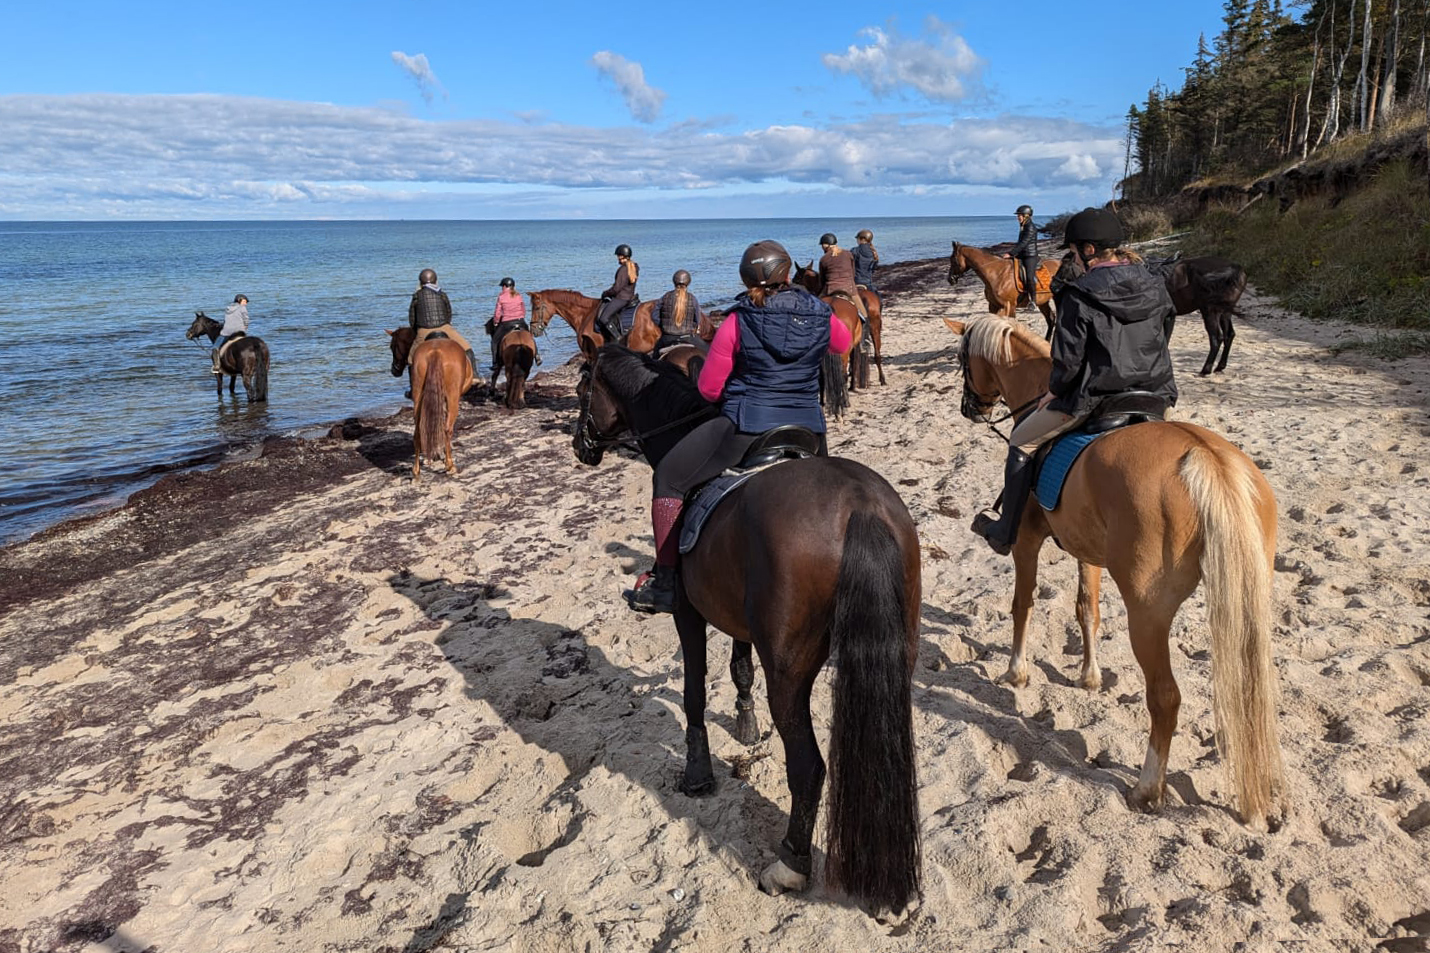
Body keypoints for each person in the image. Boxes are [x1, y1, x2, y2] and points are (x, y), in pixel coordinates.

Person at [627, 240, 853, 613]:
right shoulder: (819, 313)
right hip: (808, 429)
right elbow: (841, 343)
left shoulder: (738, 320)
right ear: (786, 272)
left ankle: (665, 582)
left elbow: (709, 388)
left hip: (748, 427)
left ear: (747, 278)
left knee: (668, 477)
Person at [971, 207, 1177, 555]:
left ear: (1089, 250)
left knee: (1021, 440)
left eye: (1073, 252)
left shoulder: (1078, 294)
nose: (1074, 260)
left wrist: (1054, 391)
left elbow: (1068, 361)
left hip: (1098, 399)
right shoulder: (1155, 284)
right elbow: (1164, 332)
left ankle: (1005, 532)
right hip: (1154, 395)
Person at [407, 268, 478, 398]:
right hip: (444, 327)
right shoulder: (442, 294)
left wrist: (416, 331)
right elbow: (449, 312)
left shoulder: (416, 296)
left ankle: (413, 388)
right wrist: (446, 325)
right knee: (467, 348)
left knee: (411, 359)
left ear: (421, 281)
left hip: (424, 330)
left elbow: (412, 318)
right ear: (435, 280)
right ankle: (474, 377)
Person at [487, 276, 529, 381]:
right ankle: (537, 355)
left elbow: (497, 313)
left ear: (506, 286)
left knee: (494, 341)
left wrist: (496, 322)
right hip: (520, 321)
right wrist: (520, 317)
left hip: (507, 323)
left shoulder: (501, 297)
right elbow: (523, 310)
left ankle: (495, 363)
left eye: (502, 286)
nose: (502, 288)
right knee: (529, 336)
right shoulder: (518, 295)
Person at [817, 233, 867, 319]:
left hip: (831, 288)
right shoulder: (848, 254)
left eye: (822, 245)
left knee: (816, 306)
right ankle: (865, 321)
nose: (822, 247)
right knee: (862, 311)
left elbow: (822, 279)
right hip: (849, 287)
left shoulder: (823, 259)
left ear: (825, 245)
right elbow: (852, 273)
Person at [595, 244, 639, 341]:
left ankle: (618, 339)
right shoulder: (634, 266)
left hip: (621, 298)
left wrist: (606, 293)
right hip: (630, 296)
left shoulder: (623, 269)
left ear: (622, 256)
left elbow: (616, 288)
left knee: (603, 318)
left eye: (618, 256)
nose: (617, 258)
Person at [651, 269, 703, 350]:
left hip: (667, 337)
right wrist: (691, 326)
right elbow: (697, 319)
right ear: (688, 283)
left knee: (654, 355)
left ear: (674, 282)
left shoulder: (665, 296)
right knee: (708, 351)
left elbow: (654, 315)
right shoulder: (692, 298)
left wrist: (663, 325)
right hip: (687, 337)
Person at [1004, 205, 1040, 311]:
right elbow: (1020, 243)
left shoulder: (1030, 227)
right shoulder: (1023, 226)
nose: (1018, 217)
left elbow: (1023, 243)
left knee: (1029, 277)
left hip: (1030, 256)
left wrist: (1011, 253)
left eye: (1019, 215)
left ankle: (1033, 301)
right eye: (1018, 215)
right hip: (1022, 255)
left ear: (1026, 216)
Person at [212, 294, 248, 374]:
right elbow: (246, 320)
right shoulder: (242, 308)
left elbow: (226, 321)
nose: (245, 304)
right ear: (239, 300)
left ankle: (216, 365)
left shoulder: (228, 308)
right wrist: (244, 328)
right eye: (244, 301)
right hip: (239, 331)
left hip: (226, 332)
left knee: (215, 347)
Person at [850, 229, 880, 295]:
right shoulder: (873, 252)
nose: (857, 241)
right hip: (868, 283)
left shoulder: (854, 250)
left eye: (857, 239)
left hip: (856, 282)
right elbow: (874, 269)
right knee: (878, 298)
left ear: (863, 239)